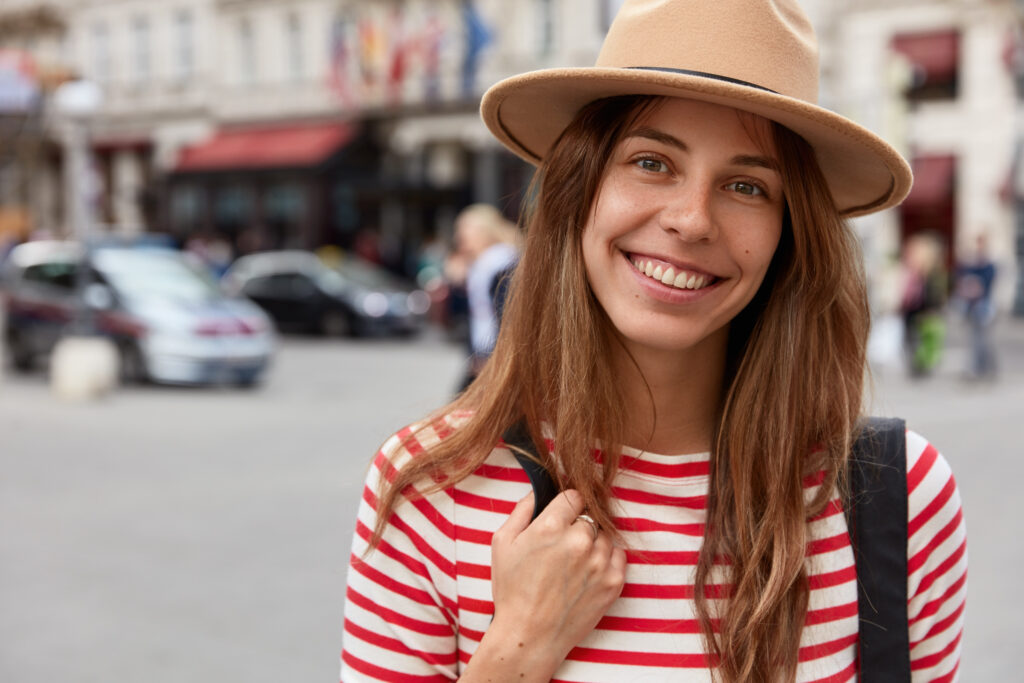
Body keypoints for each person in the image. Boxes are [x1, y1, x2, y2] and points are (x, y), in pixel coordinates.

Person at [341, 1, 967, 681]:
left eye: (746, 185)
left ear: (791, 235)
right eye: (651, 162)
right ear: (578, 192)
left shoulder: (895, 495)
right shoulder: (434, 485)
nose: (693, 219)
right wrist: (514, 652)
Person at [447, 203, 521, 390]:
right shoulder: (478, 267)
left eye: (464, 233)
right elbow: (463, 317)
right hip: (482, 355)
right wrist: (457, 284)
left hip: (497, 358)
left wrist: (495, 358)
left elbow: (509, 317)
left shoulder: (504, 265)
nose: (458, 239)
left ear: (484, 232)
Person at [955, 233, 998, 379]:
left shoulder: (988, 264)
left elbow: (985, 284)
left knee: (983, 340)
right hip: (971, 306)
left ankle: (986, 369)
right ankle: (978, 368)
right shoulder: (970, 264)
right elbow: (961, 278)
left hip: (983, 306)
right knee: (974, 340)